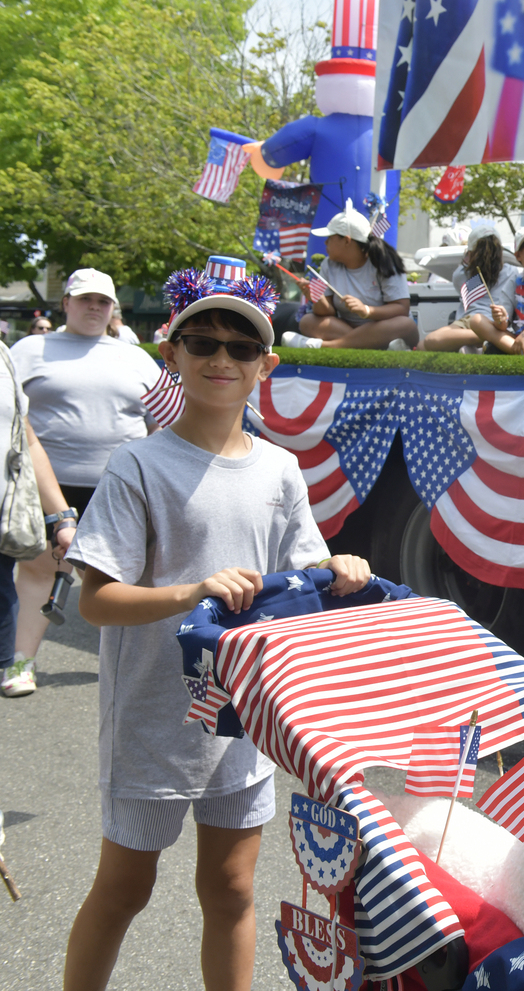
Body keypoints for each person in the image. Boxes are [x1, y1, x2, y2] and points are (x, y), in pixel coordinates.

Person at [62, 267, 371, 991]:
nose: (220, 358)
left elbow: (304, 580)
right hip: (152, 719)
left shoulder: (282, 470)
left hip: (244, 721)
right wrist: (192, 591)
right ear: (171, 352)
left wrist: (343, 570)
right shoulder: (137, 465)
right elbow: (97, 602)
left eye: (242, 345)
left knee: (232, 890)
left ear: (268, 365)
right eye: (201, 341)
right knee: (125, 889)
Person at [7, 268, 162, 694]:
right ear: (66, 304)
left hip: (121, 489)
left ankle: (129, 671)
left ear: (114, 309)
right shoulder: (30, 348)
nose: (93, 307)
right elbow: (13, 422)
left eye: (103, 301)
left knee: (123, 580)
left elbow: (162, 426)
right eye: (84, 299)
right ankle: (20, 663)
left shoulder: (135, 356)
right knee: (40, 571)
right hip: (47, 485)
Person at [0, 342, 80, 698]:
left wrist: (62, 516)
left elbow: (26, 439)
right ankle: (16, 662)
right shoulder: (25, 350)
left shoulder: (2, 356)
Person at [280, 199, 417, 350]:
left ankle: (327, 346)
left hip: (384, 327)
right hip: (347, 328)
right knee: (308, 321)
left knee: (405, 325)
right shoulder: (327, 264)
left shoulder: (384, 262)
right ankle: (372, 344)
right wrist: (315, 296)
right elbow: (326, 312)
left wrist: (366, 310)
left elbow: (401, 308)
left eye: (330, 238)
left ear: (347, 241)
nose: (326, 243)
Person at [421, 227, 524, 356]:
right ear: (518, 256)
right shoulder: (513, 278)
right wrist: (501, 318)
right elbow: (503, 324)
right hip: (507, 334)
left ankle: (518, 348)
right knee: (476, 321)